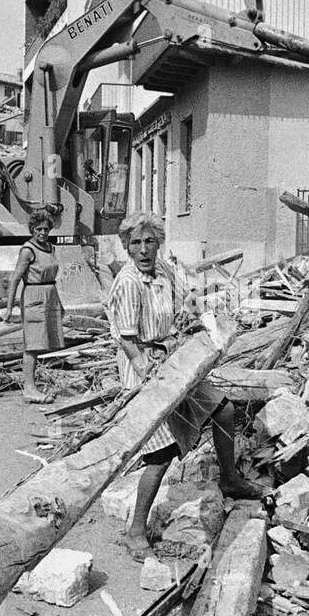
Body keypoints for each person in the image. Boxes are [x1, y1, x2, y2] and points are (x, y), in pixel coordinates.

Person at [106, 212, 263, 561]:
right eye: (136, 243)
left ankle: (230, 479)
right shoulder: (129, 282)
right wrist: (145, 370)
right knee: (161, 455)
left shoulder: (163, 270)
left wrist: (205, 318)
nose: (144, 250)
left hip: (171, 361)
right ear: (127, 247)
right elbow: (127, 340)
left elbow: (188, 300)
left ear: (158, 242)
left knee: (224, 409)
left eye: (149, 241)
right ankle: (135, 531)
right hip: (142, 368)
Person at [2, 208, 65, 404]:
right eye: (38, 229)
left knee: (43, 343)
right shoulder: (27, 250)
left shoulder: (51, 248)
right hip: (34, 298)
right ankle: (29, 388)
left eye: (46, 229)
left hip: (49, 296)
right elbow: (14, 280)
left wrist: (59, 304)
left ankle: (32, 385)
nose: (43, 233)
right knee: (32, 345)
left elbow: (52, 279)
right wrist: (9, 308)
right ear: (32, 229)